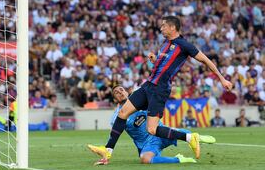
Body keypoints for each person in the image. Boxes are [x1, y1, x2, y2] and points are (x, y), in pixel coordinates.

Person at [89, 16, 232, 161]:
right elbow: (163, 64)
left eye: (164, 25)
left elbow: (206, 60)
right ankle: (107, 151)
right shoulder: (165, 44)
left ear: (172, 27)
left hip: (159, 89)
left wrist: (222, 78)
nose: (161, 28)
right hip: (148, 85)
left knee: (151, 129)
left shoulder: (184, 45)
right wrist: (154, 60)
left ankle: (189, 137)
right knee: (123, 112)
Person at [88, 86, 216, 165]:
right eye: (116, 92)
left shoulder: (139, 99)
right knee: (145, 160)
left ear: (127, 92)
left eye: (121, 89)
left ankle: (196, 137)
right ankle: (179, 159)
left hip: (161, 133)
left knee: (184, 133)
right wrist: (106, 156)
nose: (120, 92)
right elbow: (115, 135)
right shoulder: (117, 116)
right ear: (115, 99)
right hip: (147, 144)